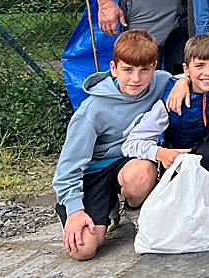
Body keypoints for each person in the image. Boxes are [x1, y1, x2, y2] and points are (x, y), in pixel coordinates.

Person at [52, 29, 170, 260]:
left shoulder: (162, 82)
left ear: (154, 67)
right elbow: (66, 170)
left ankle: (137, 211)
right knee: (83, 250)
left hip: (130, 163)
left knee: (142, 173)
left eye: (144, 70)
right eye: (127, 70)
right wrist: (75, 210)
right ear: (113, 68)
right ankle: (92, 208)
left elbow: (188, 78)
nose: (136, 79)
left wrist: (183, 84)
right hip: (94, 171)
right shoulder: (91, 110)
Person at [122, 33, 209, 202]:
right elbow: (131, 143)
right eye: (199, 66)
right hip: (179, 156)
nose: (208, 72)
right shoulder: (170, 100)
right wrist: (160, 153)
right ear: (186, 69)